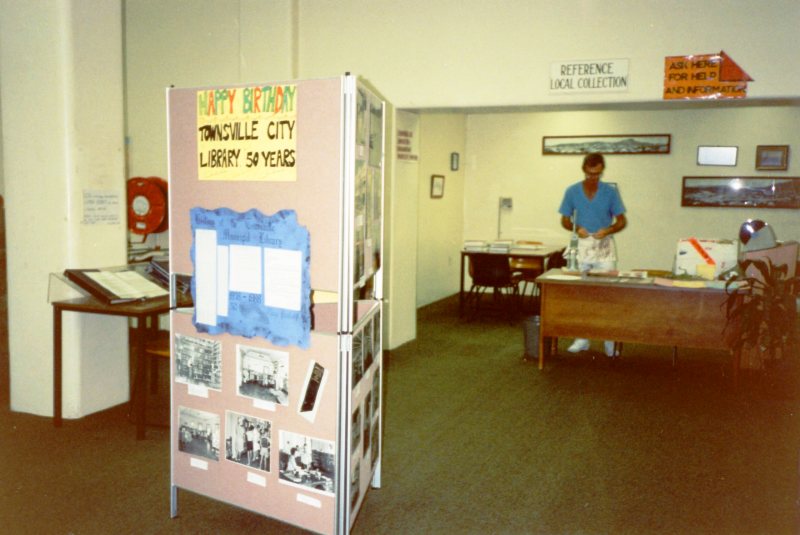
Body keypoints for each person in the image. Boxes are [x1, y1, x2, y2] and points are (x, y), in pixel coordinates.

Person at [558, 152, 627, 357]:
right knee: (581, 294)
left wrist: (608, 230)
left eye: (597, 174)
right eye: (589, 174)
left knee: (608, 295)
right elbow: (564, 220)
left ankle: (609, 341)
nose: (593, 178)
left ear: (601, 171)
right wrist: (576, 227)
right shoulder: (572, 191)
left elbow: (621, 221)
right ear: (584, 170)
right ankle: (582, 339)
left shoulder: (610, 192)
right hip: (581, 244)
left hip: (604, 244)